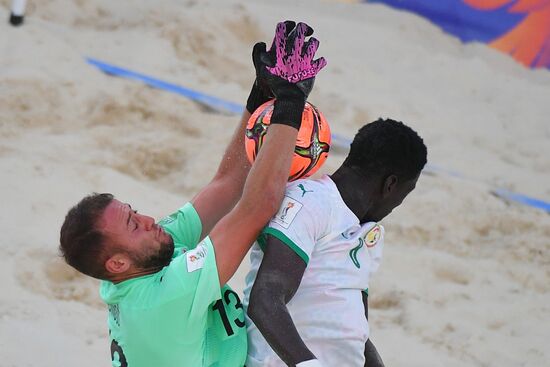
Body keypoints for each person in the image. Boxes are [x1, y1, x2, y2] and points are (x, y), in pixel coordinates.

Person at [58, 21, 327, 367]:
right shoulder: (163, 299)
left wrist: (262, 95)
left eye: (134, 211)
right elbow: (258, 205)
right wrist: (290, 103)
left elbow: (226, 183)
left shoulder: (138, 262)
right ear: (117, 263)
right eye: (134, 225)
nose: (148, 220)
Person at [244, 118, 428, 367]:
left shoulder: (367, 233)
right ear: (390, 185)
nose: (398, 205)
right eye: (407, 192)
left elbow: (356, 332)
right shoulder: (311, 203)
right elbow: (265, 299)